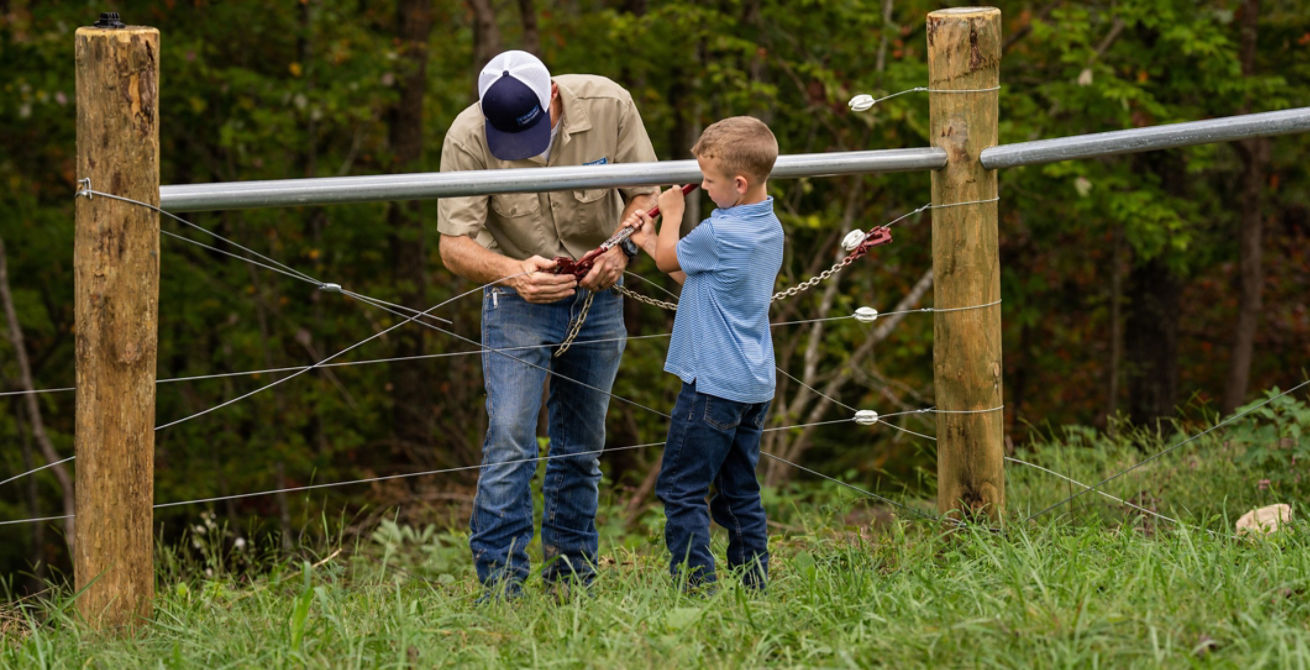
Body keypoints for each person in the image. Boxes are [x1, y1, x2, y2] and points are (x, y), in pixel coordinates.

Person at [436, 49, 658, 597]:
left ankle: (572, 581)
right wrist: (513, 273)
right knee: (511, 437)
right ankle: (502, 588)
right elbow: (452, 244)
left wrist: (622, 251)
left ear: (552, 96)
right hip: (517, 300)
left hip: (599, 294)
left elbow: (647, 195)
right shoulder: (467, 135)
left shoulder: (610, 104)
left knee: (581, 444)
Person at [635, 116, 783, 590]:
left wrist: (670, 213)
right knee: (739, 490)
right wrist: (649, 239)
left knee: (681, 489)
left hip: (711, 387)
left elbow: (667, 260)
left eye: (708, 181)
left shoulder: (719, 231)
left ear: (738, 184)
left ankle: (695, 587)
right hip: (751, 384)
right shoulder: (767, 227)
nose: (701, 187)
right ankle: (753, 584)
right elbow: (700, 280)